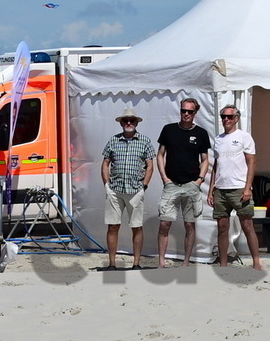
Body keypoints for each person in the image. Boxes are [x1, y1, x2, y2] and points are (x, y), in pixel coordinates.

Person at [156, 98, 210, 267]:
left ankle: (186, 262)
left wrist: (199, 180)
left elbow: (205, 159)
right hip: (171, 184)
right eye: (183, 111)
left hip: (191, 185)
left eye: (190, 111)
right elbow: (160, 155)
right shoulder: (168, 130)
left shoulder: (201, 133)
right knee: (165, 223)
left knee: (189, 225)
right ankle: (161, 261)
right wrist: (164, 178)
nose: (186, 114)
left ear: (195, 113)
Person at [100, 108, 155, 271]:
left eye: (132, 120)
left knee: (137, 226)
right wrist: (106, 185)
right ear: (121, 123)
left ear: (137, 123)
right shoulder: (113, 141)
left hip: (135, 190)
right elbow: (105, 163)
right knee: (112, 226)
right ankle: (112, 263)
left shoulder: (144, 141)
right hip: (115, 190)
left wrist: (143, 186)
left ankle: (136, 263)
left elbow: (150, 165)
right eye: (126, 120)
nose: (129, 123)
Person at [209, 104, 262, 270]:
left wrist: (248, 188)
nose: (226, 119)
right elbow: (216, 166)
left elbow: (251, 162)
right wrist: (211, 190)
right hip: (221, 189)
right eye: (223, 116)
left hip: (239, 188)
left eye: (229, 117)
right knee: (222, 227)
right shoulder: (218, 139)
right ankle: (223, 264)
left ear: (236, 119)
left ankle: (256, 263)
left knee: (247, 225)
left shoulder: (244, 137)